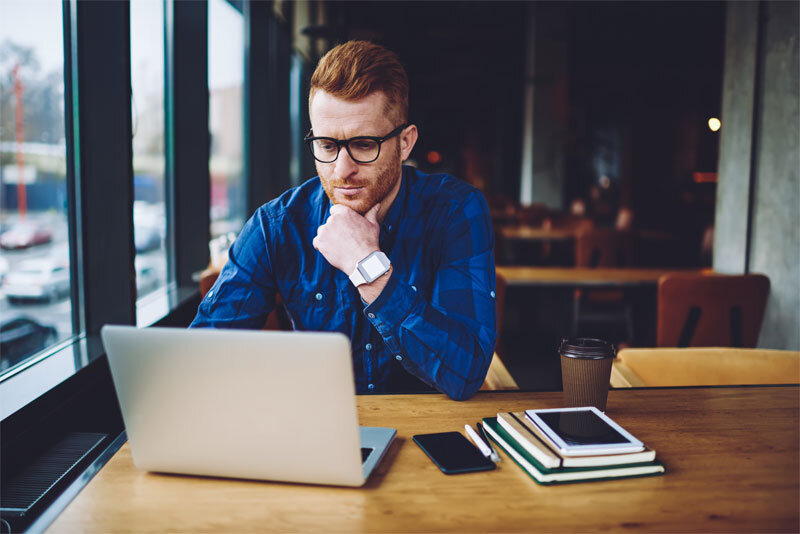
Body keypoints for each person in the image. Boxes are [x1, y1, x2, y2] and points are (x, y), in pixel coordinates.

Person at [191, 41, 496, 401]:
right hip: (316, 436)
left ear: (405, 143)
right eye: (327, 145)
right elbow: (201, 362)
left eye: (364, 145)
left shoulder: (455, 211)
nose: (342, 170)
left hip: (431, 438)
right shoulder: (277, 226)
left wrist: (367, 266)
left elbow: (465, 372)